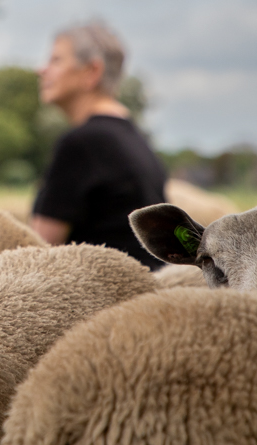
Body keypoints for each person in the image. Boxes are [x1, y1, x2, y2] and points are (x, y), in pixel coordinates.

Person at [29, 20, 167, 268]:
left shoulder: (82, 143)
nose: (42, 70)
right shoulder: (135, 138)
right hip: (146, 290)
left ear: (92, 71)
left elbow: (39, 251)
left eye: (55, 60)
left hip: (105, 299)